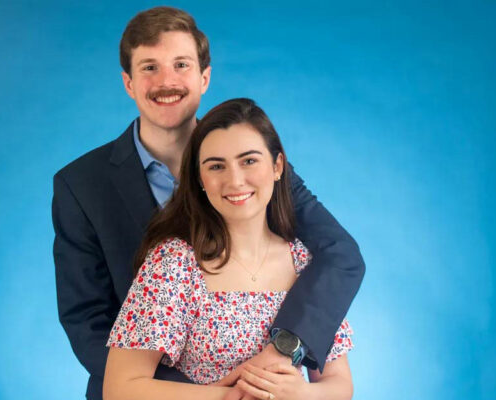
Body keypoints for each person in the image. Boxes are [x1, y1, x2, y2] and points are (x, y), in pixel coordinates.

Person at [52, 7, 364, 400]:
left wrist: (282, 355)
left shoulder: (259, 169)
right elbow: (87, 320)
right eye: (149, 67)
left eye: (180, 64)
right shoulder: (82, 185)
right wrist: (214, 393)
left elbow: (341, 256)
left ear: (204, 77)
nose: (166, 81)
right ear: (128, 82)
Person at [104, 98, 355, 400]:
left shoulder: (305, 261)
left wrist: (302, 394)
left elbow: (339, 384)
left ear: (277, 166)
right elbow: (121, 388)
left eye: (249, 161)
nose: (235, 180)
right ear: (199, 179)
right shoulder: (174, 263)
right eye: (216, 166)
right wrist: (229, 397)